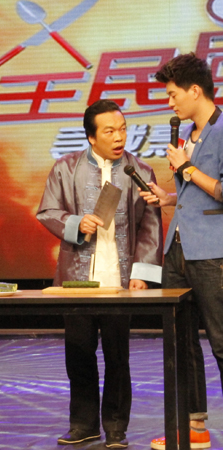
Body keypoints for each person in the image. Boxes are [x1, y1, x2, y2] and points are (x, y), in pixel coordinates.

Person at [36, 99, 163, 449]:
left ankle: (116, 428)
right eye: (109, 131)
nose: (119, 137)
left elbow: (151, 225)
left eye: (122, 129)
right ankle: (83, 424)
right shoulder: (65, 168)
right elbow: (47, 211)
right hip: (77, 280)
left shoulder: (140, 171)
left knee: (118, 356)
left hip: (119, 280)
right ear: (91, 137)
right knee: (79, 353)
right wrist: (76, 223)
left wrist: (142, 273)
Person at [140, 53, 223, 450]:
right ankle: (195, 427)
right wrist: (168, 197)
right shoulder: (187, 134)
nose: (169, 102)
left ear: (195, 91)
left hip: (212, 252)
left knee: (221, 341)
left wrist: (187, 169)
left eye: (173, 95)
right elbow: (196, 194)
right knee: (181, 342)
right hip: (178, 248)